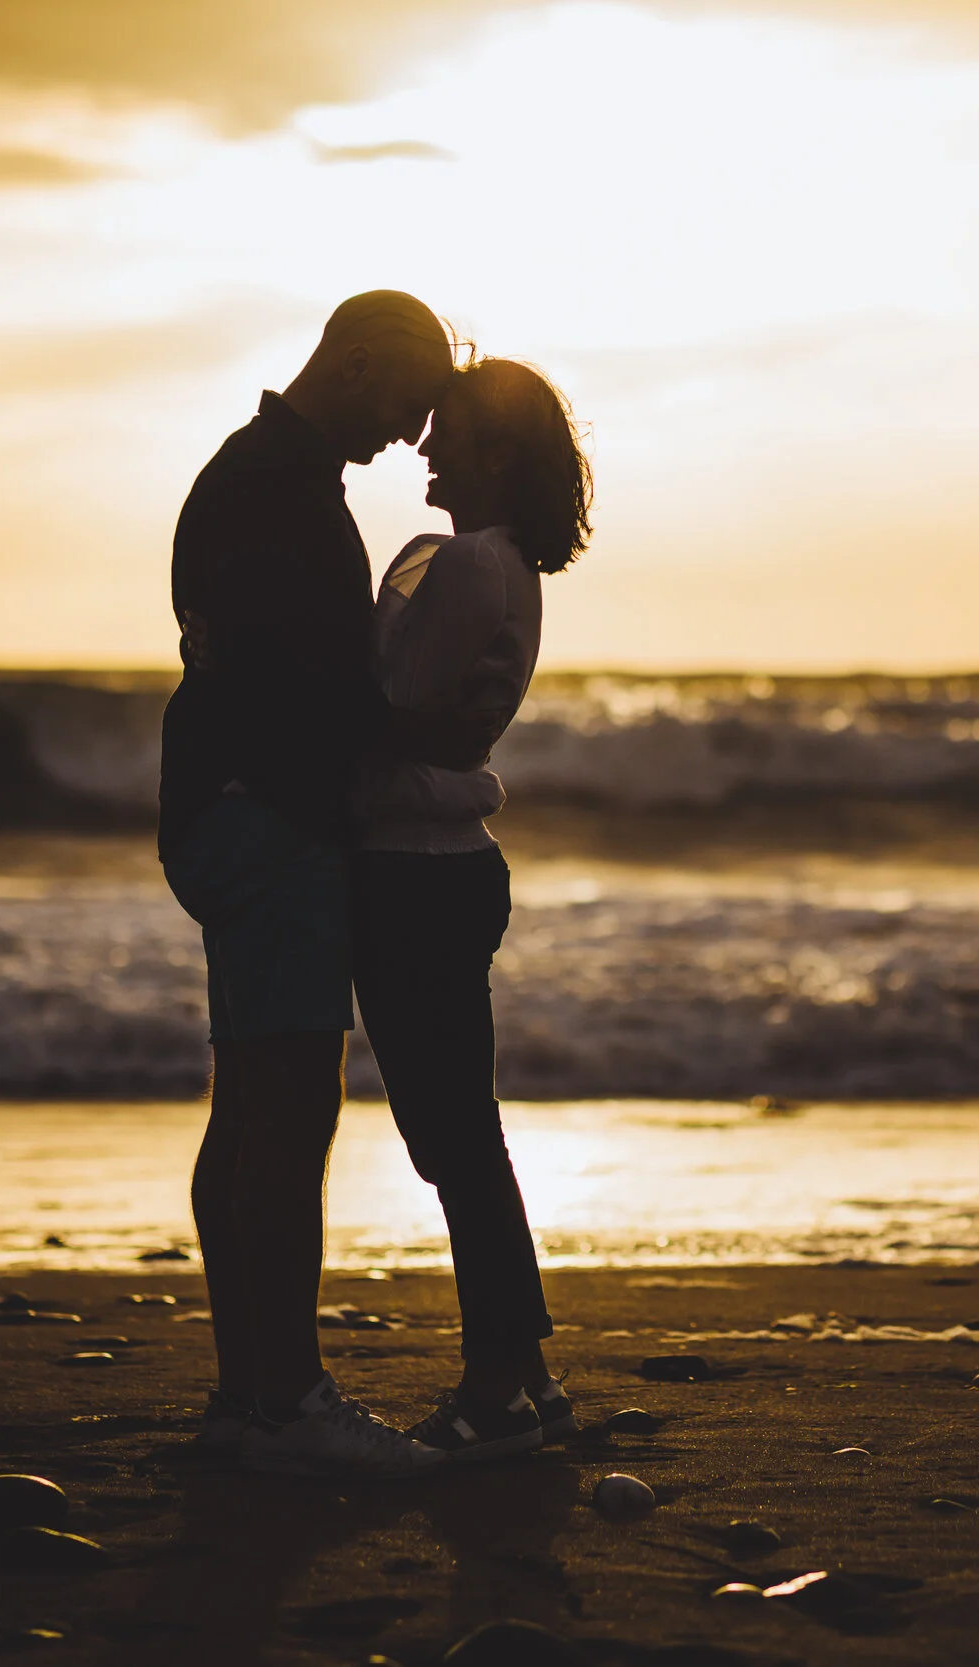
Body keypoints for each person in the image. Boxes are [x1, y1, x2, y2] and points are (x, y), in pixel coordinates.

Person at [157, 291, 461, 1478]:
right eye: (405, 399)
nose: (407, 432)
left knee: (250, 1105)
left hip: (225, 812)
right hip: (265, 819)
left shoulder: (257, 475)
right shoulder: (273, 492)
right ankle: (284, 1398)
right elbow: (300, 690)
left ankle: (248, 1395)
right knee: (289, 1108)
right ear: (359, 359)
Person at [350, 358, 591, 1466]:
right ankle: (524, 1374)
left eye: (447, 434)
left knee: (452, 1134)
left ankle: (499, 1381)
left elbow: (395, 712)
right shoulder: (510, 570)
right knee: (461, 1130)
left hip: (415, 866)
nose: (425, 450)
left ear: (498, 453)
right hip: (448, 866)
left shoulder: (465, 570)